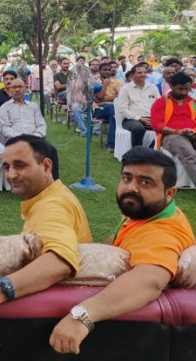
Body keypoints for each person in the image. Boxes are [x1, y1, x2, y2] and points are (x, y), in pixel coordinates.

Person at [50, 147, 195, 355]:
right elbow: (115, 241)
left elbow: (150, 281)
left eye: (146, 182)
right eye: (127, 178)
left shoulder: (162, 232)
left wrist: (81, 316)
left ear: (169, 193)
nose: (132, 188)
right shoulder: (147, 211)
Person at [0, 134, 91, 337]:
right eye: (7, 167)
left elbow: (60, 261)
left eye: (20, 165)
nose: (11, 175)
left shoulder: (51, 207)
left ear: (46, 166)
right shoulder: (53, 196)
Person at [151, 72, 196, 183]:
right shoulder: (161, 103)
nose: (184, 92)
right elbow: (157, 125)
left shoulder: (193, 103)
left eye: (187, 89)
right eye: (180, 89)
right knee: (189, 154)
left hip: (192, 133)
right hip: (171, 136)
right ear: (171, 86)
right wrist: (177, 131)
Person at [115, 63, 160, 148]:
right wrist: (140, 119)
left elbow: (160, 105)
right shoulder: (125, 89)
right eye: (139, 72)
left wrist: (155, 118)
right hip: (132, 120)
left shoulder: (153, 87)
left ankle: (150, 151)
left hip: (151, 118)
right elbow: (123, 110)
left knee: (167, 127)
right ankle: (137, 153)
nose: (143, 74)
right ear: (132, 75)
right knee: (138, 128)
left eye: (144, 72)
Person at [94, 62, 122, 152]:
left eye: (109, 70)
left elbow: (121, 97)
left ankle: (113, 144)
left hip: (113, 108)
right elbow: (99, 99)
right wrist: (105, 85)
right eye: (104, 70)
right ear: (99, 71)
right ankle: (112, 145)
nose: (107, 72)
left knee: (114, 114)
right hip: (99, 109)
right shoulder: (95, 82)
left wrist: (106, 99)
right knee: (113, 110)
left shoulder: (117, 82)